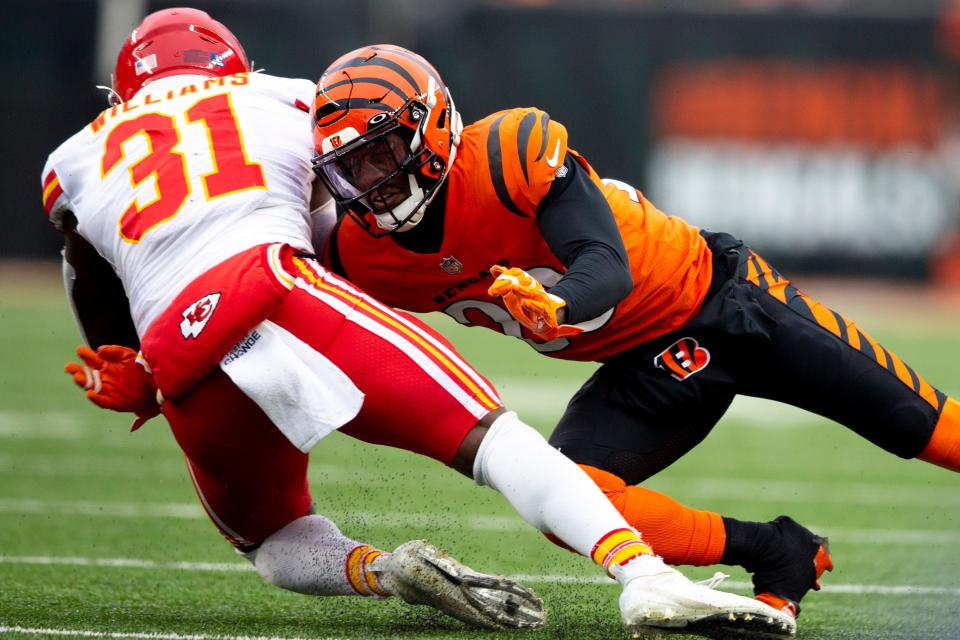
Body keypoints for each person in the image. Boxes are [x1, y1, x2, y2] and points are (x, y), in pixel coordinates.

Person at [44, 8, 797, 639]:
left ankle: (382, 572)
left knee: (272, 542)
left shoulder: (73, 159)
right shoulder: (279, 97)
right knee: (495, 441)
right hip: (277, 283)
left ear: (126, 90)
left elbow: (87, 270)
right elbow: (358, 162)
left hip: (180, 348)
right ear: (231, 65)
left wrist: (140, 368)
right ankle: (643, 576)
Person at [314, 43, 960, 621]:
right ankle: (778, 550)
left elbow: (605, 265)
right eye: (352, 167)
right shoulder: (364, 255)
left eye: (383, 151)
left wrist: (558, 302)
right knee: (568, 504)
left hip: (728, 305)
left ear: (432, 127)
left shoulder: (507, 155)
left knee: (928, 430)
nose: (372, 180)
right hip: (643, 363)